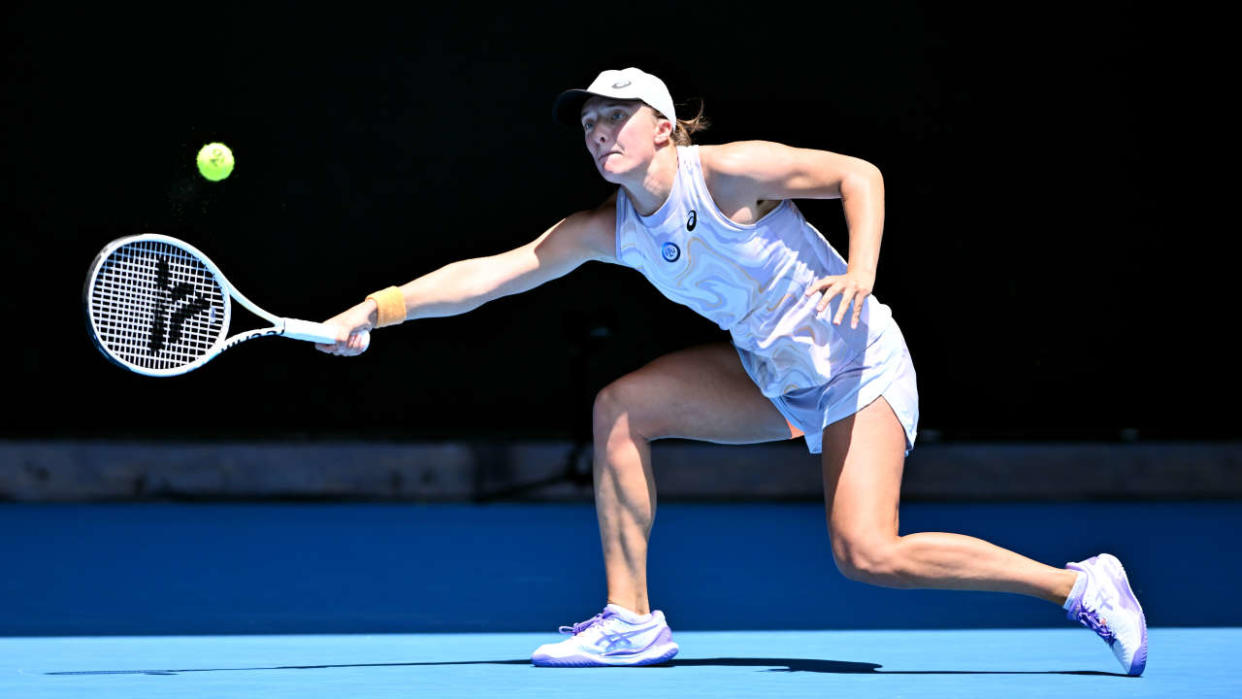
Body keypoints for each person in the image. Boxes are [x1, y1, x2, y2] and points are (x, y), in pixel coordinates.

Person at [315, 67, 1147, 674]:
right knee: (623, 405)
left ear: (665, 128)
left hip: (857, 363)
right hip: (770, 375)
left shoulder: (727, 172)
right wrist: (374, 308)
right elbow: (496, 271)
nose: (600, 132)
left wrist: (860, 270)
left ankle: (1075, 584)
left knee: (867, 553)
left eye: (617, 117)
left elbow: (859, 174)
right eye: (590, 124)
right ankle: (631, 618)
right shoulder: (613, 227)